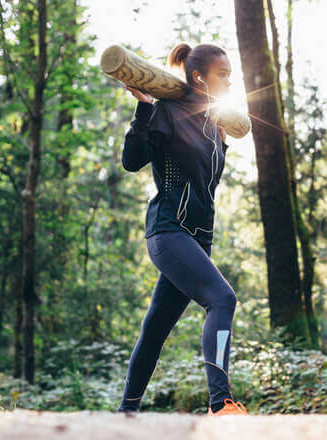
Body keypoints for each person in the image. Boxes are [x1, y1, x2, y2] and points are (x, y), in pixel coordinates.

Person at [116, 42, 248, 416]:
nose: (229, 80)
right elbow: (132, 161)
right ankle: (220, 403)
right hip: (168, 230)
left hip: (197, 240)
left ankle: (126, 413)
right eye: (223, 74)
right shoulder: (168, 110)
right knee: (222, 299)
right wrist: (143, 108)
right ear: (198, 76)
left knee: (156, 328)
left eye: (230, 74)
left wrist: (222, 146)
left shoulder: (214, 123)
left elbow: (206, 186)